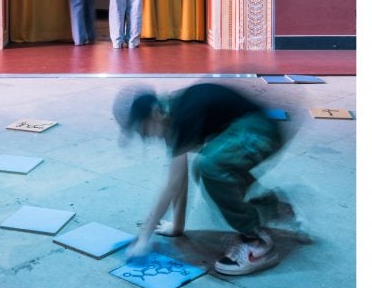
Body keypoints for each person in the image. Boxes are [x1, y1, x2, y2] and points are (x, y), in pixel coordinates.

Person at [112, 83, 308, 276]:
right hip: (241, 131)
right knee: (211, 169)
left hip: (259, 131)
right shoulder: (168, 116)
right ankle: (272, 207)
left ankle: (256, 241)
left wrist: (143, 238)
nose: (146, 137)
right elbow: (179, 180)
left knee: (211, 167)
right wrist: (177, 228)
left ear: (155, 113)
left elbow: (172, 184)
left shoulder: (182, 115)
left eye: (143, 130)